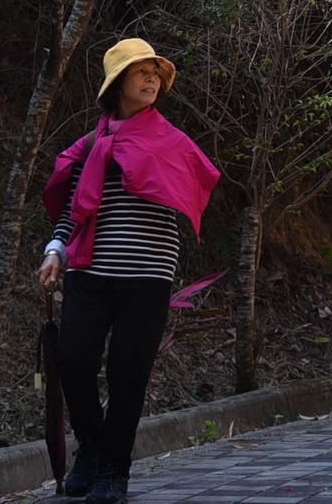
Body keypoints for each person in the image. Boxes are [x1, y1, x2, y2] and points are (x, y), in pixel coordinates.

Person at [38, 39, 219, 503]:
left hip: (146, 275)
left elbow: (193, 187)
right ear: (118, 83)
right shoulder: (93, 143)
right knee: (73, 363)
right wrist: (55, 248)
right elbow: (74, 208)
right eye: (142, 71)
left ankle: (113, 471)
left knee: (127, 375)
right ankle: (92, 450)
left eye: (157, 71)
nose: (153, 78)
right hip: (89, 271)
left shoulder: (169, 142)